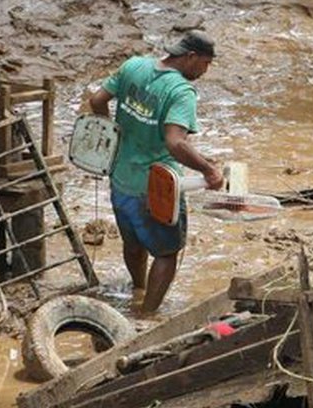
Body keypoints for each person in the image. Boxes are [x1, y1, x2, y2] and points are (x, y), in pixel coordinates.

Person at [89, 30, 224, 313]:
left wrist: (114, 137)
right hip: (157, 187)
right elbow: (175, 142)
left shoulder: (134, 66)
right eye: (206, 64)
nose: (205, 71)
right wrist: (210, 171)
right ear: (191, 57)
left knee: (133, 243)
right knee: (166, 253)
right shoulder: (181, 91)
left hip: (121, 176)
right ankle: (147, 313)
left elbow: (97, 101)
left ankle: (137, 290)